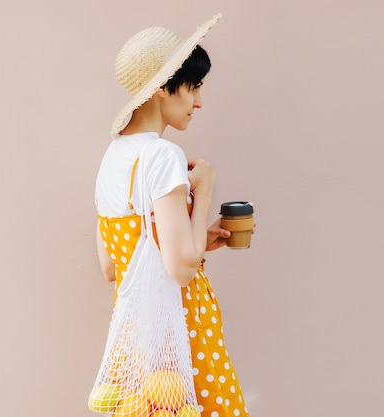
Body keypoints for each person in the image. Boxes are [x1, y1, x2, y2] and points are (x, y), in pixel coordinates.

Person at [94, 14, 250, 417]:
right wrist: (205, 187)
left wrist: (199, 240)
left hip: (141, 341)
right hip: (182, 330)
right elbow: (181, 270)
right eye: (193, 87)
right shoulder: (162, 155)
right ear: (164, 87)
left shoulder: (112, 159)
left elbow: (114, 265)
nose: (198, 101)